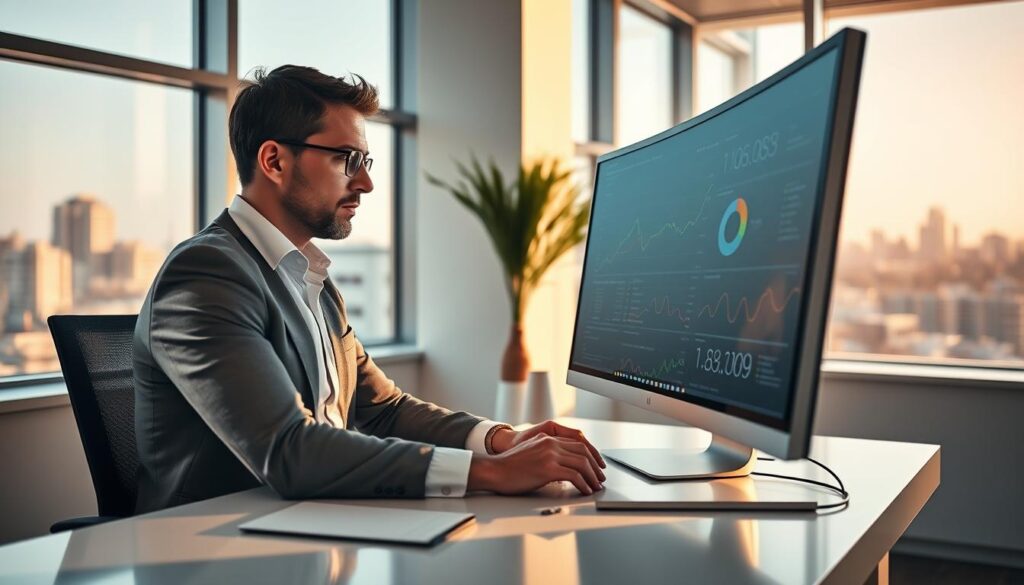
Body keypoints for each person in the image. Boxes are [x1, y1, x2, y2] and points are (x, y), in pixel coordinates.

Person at [132, 64, 605, 514]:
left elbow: (383, 410)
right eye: (347, 160)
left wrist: (502, 440)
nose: (367, 182)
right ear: (274, 160)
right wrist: (491, 472)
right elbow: (288, 451)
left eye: (365, 160)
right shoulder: (206, 272)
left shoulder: (307, 275)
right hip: (212, 550)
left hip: (306, 526)